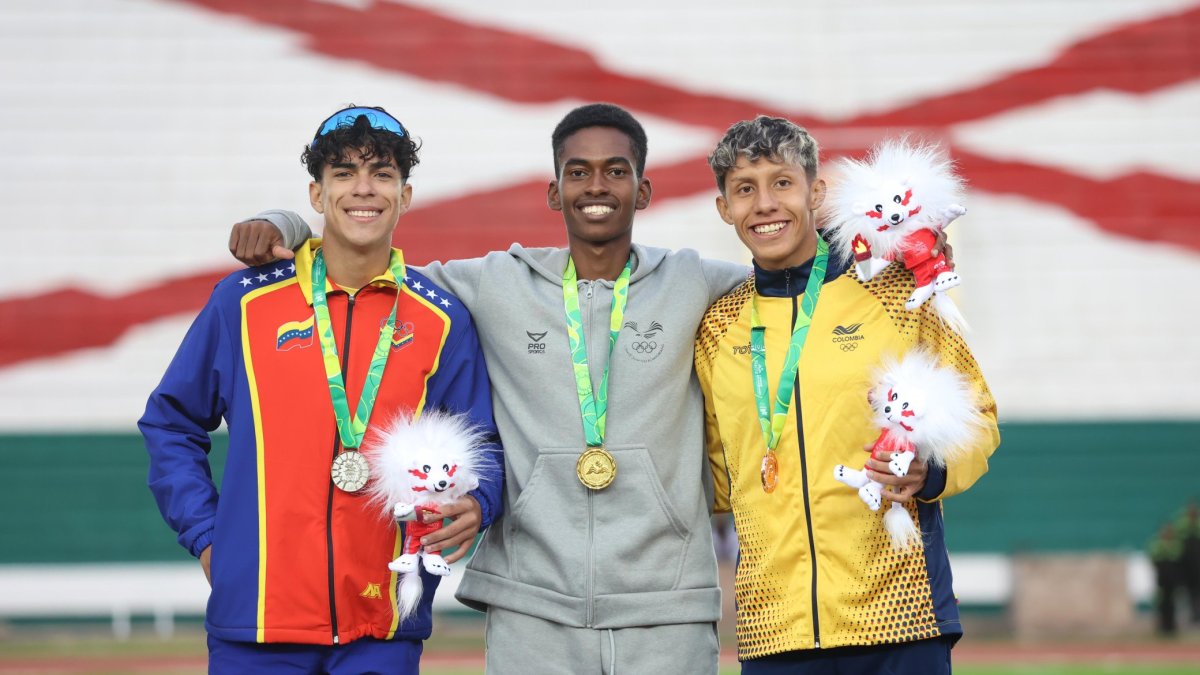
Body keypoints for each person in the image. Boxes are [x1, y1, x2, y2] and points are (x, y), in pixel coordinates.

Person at [232, 103, 753, 674]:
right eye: (577, 172)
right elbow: (364, 258)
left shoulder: (698, 281)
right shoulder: (494, 282)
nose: (596, 186)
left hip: (667, 605)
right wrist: (285, 223)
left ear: (644, 189)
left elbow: (792, 274)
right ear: (554, 193)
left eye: (616, 170)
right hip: (529, 605)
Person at [140, 105, 502, 673]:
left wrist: (480, 501)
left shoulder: (442, 319)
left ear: (405, 196)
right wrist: (210, 536)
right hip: (255, 620)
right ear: (316, 194)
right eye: (344, 173)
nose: (364, 189)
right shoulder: (243, 302)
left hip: (383, 623)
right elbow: (171, 423)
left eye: (382, 174)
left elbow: (482, 444)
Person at [694, 116, 1000, 674]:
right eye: (745, 189)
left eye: (782, 183)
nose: (765, 204)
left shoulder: (897, 293)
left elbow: (978, 415)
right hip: (774, 628)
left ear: (816, 192)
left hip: (902, 618)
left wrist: (928, 475)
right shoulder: (717, 327)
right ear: (724, 209)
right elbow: (713, 471)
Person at [1149, 521, 1184, 636]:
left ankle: (1171, 627)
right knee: (1162, 603)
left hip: (1172, 579)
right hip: (1162, 579)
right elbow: (1154, 557)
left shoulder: (1175, 544)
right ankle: (1162, 626)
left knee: (1172, 603)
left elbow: (1178, 558)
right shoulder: (1157, 544)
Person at [1175, 500, 1200, 625]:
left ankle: (1196, 616)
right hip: (1186, 566)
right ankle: (1192, 617)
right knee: (1188, 591)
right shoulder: (1182, 524)